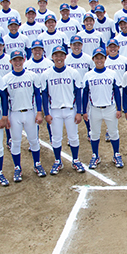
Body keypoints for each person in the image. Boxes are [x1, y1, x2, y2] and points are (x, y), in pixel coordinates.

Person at [0, 50, 45, 181]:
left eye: (20, 59)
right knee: (15, 142)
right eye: (15, 60)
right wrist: (5, 116)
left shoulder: (32, 75)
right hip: (15, 114)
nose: (18, 62)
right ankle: (17, 168)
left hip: (30, 112)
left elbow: (37, 94)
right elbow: (4, 99)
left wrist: (39, 112)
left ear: (24, 60)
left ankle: (37, 164)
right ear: (11, 62)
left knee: (33, 140)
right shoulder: (6, 79)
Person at [40, 45, 85, 174]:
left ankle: (75, 160)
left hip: (70, 109)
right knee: (56, 137)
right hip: (54, 110)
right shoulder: (46, 74)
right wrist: (46, 113)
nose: (59, 58)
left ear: (65, 56)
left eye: (61, 55)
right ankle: (57, 161)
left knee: (73, 137)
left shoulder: (73, 72)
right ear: (52, 57)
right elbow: (44, 94)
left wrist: (79, 112)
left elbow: (78, 93)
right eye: (56, 55)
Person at [83, 47, 124, 169]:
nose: (99, 60)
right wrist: (84, 111)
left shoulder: (112, 73)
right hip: (94, 108)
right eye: (97, 58)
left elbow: (116, 91)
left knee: (113, 132)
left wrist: (118, 108)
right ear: (93, 59)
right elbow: (85, 94)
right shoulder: (88, 75)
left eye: (101, 58)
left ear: (105, 59)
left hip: (109, 108)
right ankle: (95, 155)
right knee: (94, 134)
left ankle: (116, 154)